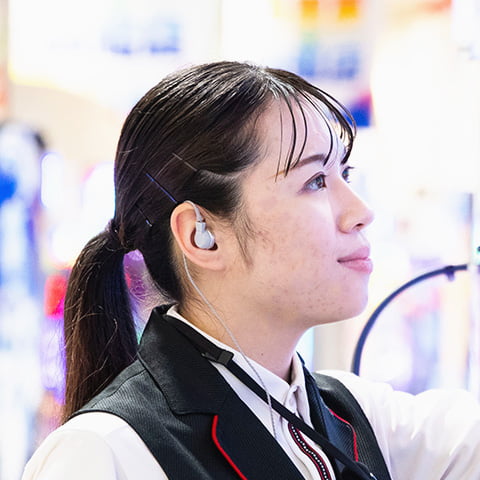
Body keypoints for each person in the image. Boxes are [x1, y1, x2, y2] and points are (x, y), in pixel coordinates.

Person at [22, 61, 480, 480]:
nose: (361, 212)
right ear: (202, 235)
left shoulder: (358, 418)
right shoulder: (103, 454)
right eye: (315, 181)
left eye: (345, 175)